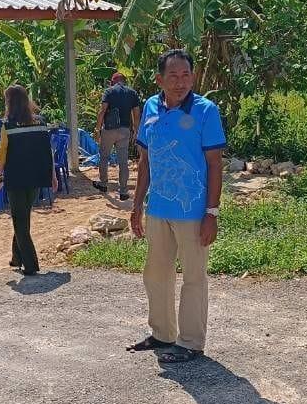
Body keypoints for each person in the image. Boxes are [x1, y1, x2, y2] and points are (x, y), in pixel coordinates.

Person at [127, 49, 226, 364]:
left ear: (193, 77)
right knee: (155, 274)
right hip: (158, 209)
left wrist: (211, 213)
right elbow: (145, 161)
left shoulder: (205, 111)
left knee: (194, 277)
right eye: (173, 76)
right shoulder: (150, 107)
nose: (180, 82)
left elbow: (215, 164)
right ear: (160, 80)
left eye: (186, 75)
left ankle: (191, 342)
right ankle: (163, 333)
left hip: (193, 212)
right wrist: (136, 205)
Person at [0, 85, 56, 276]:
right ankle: (16, 257)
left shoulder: (8, 125)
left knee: (20, 220)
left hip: (17, 177)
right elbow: (48, 150)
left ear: (10, 103)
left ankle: (30, 264)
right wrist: (53, 175)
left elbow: (2, 152)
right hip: (37, 175)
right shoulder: (40, 122)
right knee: (23, 216)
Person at [93, 72, 141, 200]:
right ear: (124, 81)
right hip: (124, 130)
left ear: (113, 81)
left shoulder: (109, 91)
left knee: (104, 157)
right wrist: (136, 131)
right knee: (123, 162)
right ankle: (123, 191)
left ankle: (103, 184)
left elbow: (102, 111)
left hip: (109, 129)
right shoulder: (132, 93)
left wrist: (97, 129)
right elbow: (136, 114)